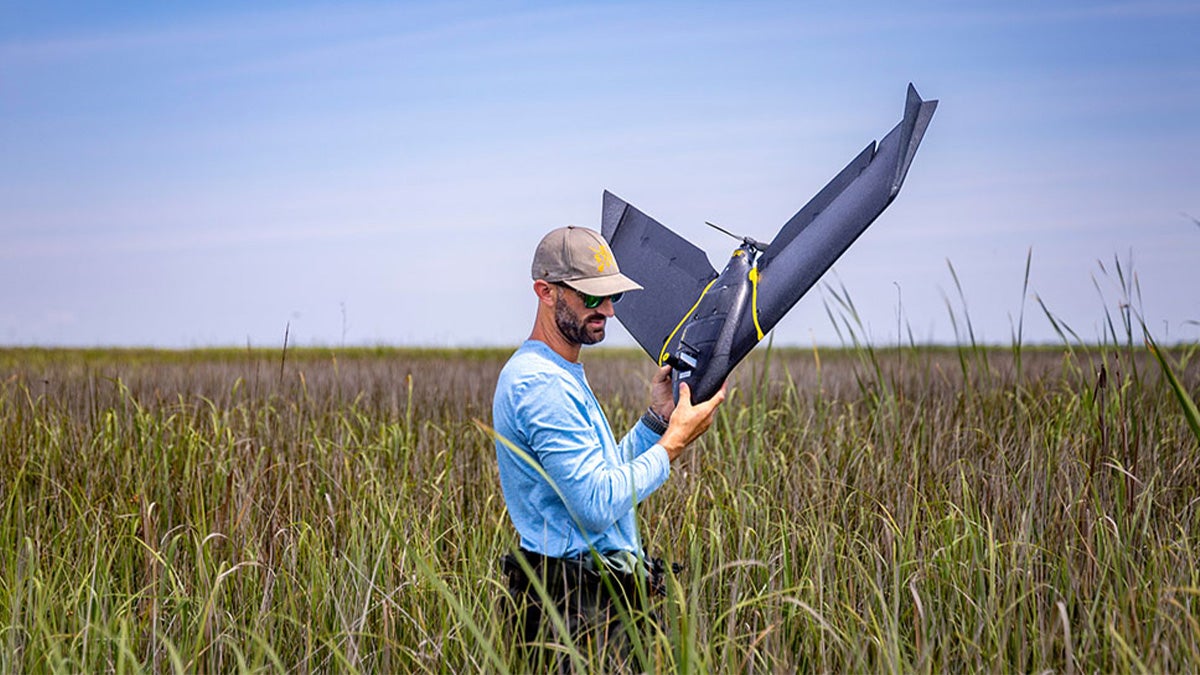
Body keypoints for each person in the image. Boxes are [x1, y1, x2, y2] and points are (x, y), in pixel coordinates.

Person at [492, 225, 726, 669]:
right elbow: (598, 505)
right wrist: (673, 444)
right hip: (573, 611)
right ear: (546, 292)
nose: (609, 311)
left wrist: (656, 421)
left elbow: (599, 478)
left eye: (612, 296)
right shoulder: (540, 384)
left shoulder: (559, 373)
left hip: (592, 601)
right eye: (592, 297)